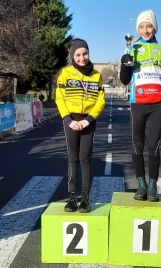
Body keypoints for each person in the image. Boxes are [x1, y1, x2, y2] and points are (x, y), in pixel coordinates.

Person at [119, 10, 161, 202]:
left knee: (153, 145)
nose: (145, 30)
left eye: (148, 26)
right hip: (137, 103)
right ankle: (141, 184)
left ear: (154, 27)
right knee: (137, 145)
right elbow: (124, 80)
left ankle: (153, 186)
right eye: (141, 27)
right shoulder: (131, 49)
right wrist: (125, 65)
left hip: (157, 105)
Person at [55, 38, 105, 212]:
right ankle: (71, 197)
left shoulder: (97, 75)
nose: (82, 57)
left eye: (85, 53)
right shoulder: (66, 74)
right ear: (72, 56)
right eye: (78, 54)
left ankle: (85, 198)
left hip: (88, 121)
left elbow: (101, 100)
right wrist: (68, 120)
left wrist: (88, 120)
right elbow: (59, 98)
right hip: (71, 120)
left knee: (85, 159)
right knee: (73, 159)